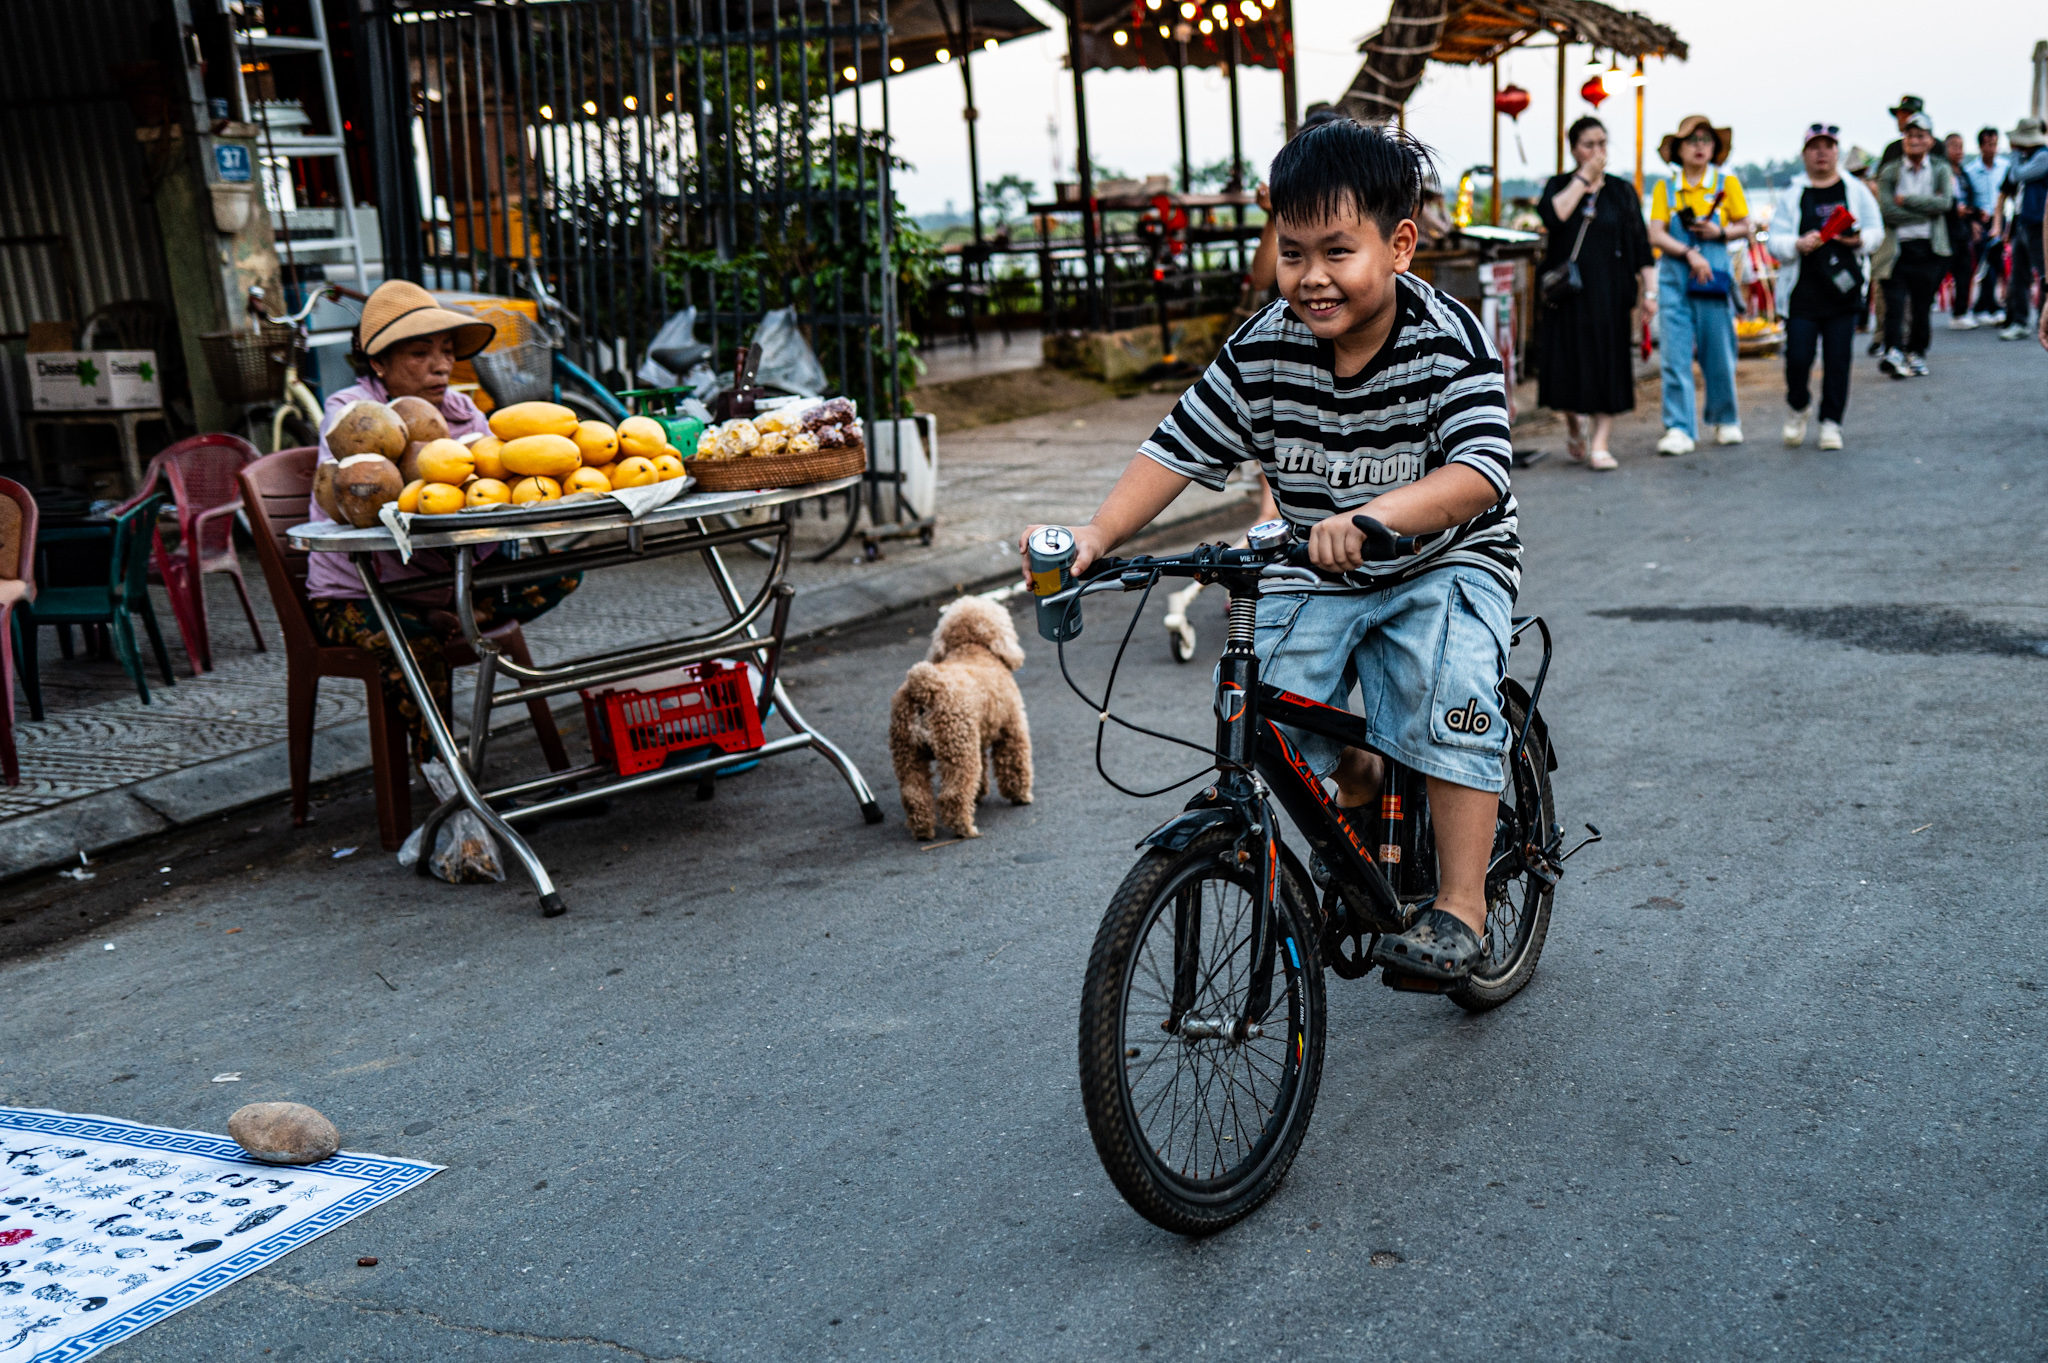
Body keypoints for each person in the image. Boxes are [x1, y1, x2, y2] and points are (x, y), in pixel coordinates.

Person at [1019, 120, 1518, 983]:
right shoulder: (1264, 346)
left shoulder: (1449, 337)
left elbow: (1480, 471)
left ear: (1400, 246)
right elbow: (1176, 446)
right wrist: (1098, 537)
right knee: (1268, 699)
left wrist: (1375, 517)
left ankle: (1462, 906)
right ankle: (1360, 779)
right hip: (1314, 560)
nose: (1312, 278)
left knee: (1451, 694)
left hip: (1445, 558)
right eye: (1293, 253)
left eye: (1337, 251)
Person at [305, 279, 581, 757]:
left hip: (453, 583)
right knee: (416, 648)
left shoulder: (464, 413)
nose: (441, 366)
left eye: (448, 351)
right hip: (366, 595)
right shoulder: (350, 417)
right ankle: (450, 779)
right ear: (378, 362)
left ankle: (453, 614)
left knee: (561, 571)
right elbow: (359, 498)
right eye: (419, 353)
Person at [1535, 116, 1655, 470]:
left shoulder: (1621, 191)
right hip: (1568, 293)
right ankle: (1574, 423)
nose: (1598, 151)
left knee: (1609, 364)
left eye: (1603, 143)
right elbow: (1554, 217)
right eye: (1589, 144)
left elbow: (1640, 245)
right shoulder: (1559, 185)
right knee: (1566, 365)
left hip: (1611, 293)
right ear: (1574, 149)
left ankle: (1600, 442)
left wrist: (1650, 292)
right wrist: (1583, 179)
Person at [1770, 124, 1881, 451]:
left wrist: (1860, 240)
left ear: (1837, 151)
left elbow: (1877, 231)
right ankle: (1798, 405)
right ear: (1804, 154)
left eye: (1828, 146)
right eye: (1815, 147)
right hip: (1802, 293)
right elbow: (1774, 242)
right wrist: (1796, 244)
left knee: (1838, 361)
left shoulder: (1855, 190)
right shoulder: (1793, 194)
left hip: (1843, 293)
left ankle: (1831, 422)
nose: (1822, 153)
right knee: (1798, 359)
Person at [1647, 114, 1751, 455]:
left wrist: (1719, 233)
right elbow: (1657, 232)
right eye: (1692, 140)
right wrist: (1690, 252)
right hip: (1676, 278)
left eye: (1706, 140)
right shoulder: (1666, 187)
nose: (1699, 146)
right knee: (1674, 356)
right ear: (1678, 148)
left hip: (1713, 281)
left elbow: (1745, 225)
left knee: (1718, 351)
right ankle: (1679, 427)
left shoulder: (1726, 183)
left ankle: (1726, 419)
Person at [1875, 113, 1955, 377]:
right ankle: (1894, 350)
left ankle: (1917, 353)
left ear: (1931, 140)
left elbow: (1944, 204)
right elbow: (1887, 210)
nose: (1915, 141)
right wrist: (1927, 209)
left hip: (1929, 248)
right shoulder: (1890, 171)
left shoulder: (1941, 169)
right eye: (1910, 136)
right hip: (1897, 248)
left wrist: (1907, 200)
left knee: (1922, 306)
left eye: (1920, 136)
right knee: (1894, 304)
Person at [1996, 117, 2048, 341]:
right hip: (2022, 222)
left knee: (2044, 275)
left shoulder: (2043, 156)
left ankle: (2042, 321)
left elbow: (2018, 175)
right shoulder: (2027, 157)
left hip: (2039, 224)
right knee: (2018, 275)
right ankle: (2019, 320)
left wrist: (2015, 156)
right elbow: (2009, 183)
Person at [1960, 127, 2010, 324]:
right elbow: (1969, 198)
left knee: (1997, 264)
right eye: (1989, 144)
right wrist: (1973, 222)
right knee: (1982, 264)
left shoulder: (2004, 166)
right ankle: (1983, 306)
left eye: (1995, 144)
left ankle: (1990, 305)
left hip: (2000, 219)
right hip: (1981, 221)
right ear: (1981, 146)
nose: (1992, 148)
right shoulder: (1971, 171)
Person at [1944, 133, 1977, 328]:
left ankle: (1961, 311)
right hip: (1946, 231)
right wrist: (1954, 208)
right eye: (1954, 146)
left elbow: (1972, 197)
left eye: (1961, 147)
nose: (1959, 151)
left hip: (1963, 230)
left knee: (1965, 272)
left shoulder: (1963, 174)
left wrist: (1972, 215)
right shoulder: (1942, 172)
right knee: (1939, 272)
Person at [1878, 95, 1925, 171]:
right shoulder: (1892, 149)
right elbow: (1882, 178)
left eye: (1905, 116)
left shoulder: (1935, 146)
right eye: (1899, 116)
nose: (1900, 120)